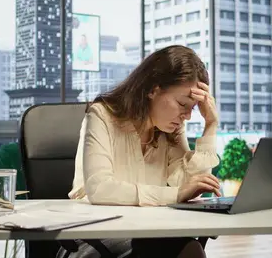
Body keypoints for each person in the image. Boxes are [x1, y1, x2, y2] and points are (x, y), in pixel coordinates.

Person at [59, 45, 221, 258]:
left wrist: (210, 125)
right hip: (93, 237)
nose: (187, 116)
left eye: (192, 108)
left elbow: (189, 184)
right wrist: (176, 194)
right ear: (153, 89)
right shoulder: (101, 116)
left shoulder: (171, 128)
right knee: (183, 248)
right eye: (182, 104)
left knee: (185, 247)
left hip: (152, 230)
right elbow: (100, 188)